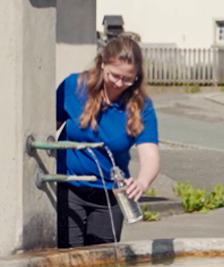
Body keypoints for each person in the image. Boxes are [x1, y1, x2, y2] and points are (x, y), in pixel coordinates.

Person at [53, 36, 161, 247]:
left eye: (128, 79)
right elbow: (45, 128)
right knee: (70, 262)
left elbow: (150, 155)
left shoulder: (141, 106)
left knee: (103, 264)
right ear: (102, 64)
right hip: (69, 190)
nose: (119, 84)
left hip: (110, 196)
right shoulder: (73, 87)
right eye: (114, 75)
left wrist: (142, 182)